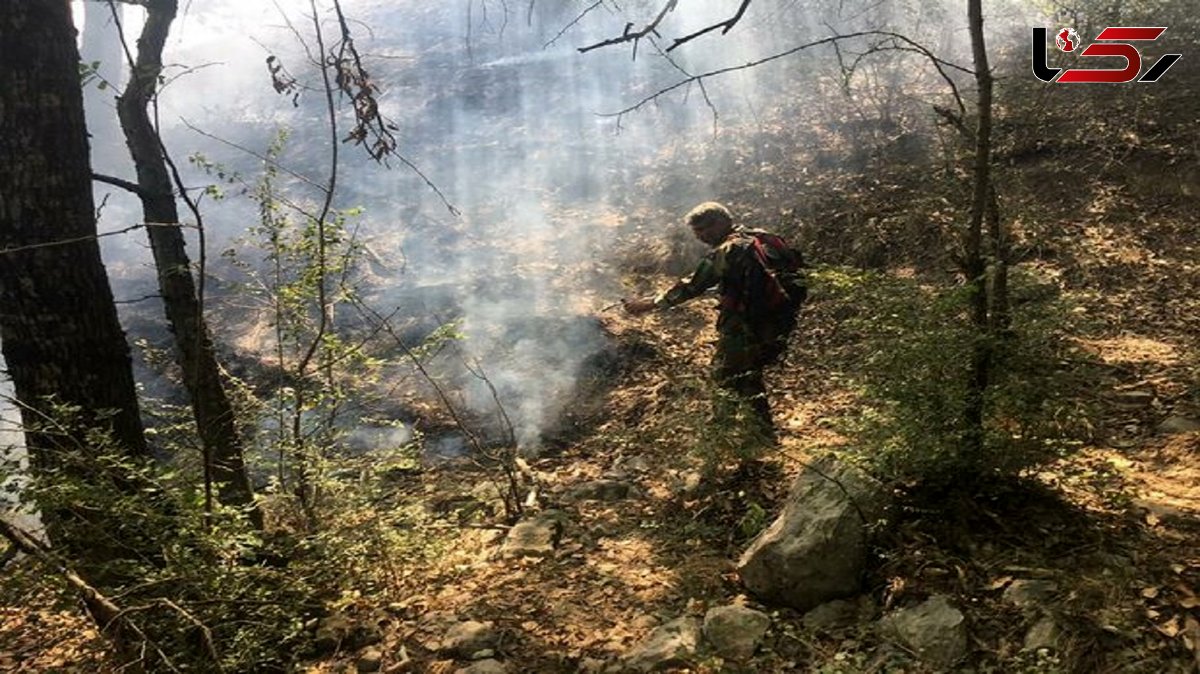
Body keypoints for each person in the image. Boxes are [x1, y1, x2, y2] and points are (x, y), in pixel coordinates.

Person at [623, 202, 806, 443]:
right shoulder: (761, 237)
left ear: (721, 222)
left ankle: (719, 439)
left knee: (724, 377)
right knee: (748, 375)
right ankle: (762, 437)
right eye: (696, 232)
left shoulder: (729, 249)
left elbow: (693, 285)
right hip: (778, 321)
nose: (700, 236)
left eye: (704, 229)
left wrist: (651, 304)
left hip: (745, 326)